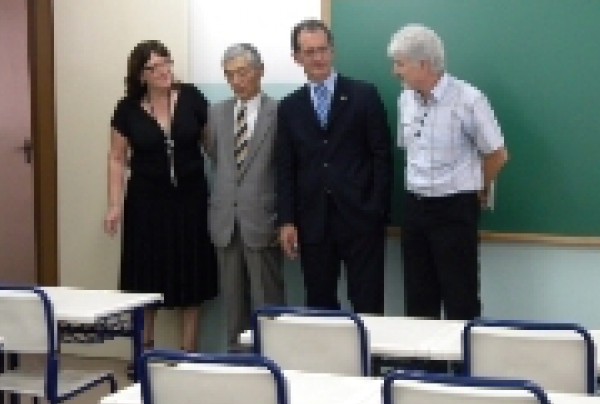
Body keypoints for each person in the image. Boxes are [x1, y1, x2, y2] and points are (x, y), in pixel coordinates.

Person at [387, 24, 509, 320]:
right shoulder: (405, 100)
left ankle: (464, 366)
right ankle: (424, 367)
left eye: (400, 64)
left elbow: (498, 154)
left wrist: (478, 188)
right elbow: (409, 149)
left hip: (455, 209)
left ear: (424, 64)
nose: (395, 71)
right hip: (415, 207)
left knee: (460, 297)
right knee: (418, 297)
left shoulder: (469, 99)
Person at [104, 40, 217, 352]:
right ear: (141, 75)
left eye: (166, 62)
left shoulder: (192, 97)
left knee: (191, 272)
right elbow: (116, 157)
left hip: (191, 199)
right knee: (146, 275)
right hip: (146, 202)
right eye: (154, 67)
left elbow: (211, 145)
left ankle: (188, 351)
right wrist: (114, 205)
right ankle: (145, 350)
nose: (163, 70)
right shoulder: (127, 109)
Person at [276, 19, 393, 313]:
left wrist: (376, 207)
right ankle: (325, 361)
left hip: (361, 218)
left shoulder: (364, 95)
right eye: (310, 52)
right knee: (319, 305)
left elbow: (382, 156)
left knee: (368, 303)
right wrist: (287, 220)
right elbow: (286, 167)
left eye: (323, 50)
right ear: (297, 57)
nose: (318, 58)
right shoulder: (289, 107)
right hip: (313, 222)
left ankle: (369, 361)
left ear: (333, 51)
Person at [205, 43, 285, 351]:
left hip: (262, 220)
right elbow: (217, 159)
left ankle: (273, 363)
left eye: (242, 72)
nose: (236, 81)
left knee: (269, 304)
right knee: (233, 304)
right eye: (229, 75)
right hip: (226, 222)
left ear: (260, 72)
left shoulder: (277, 112)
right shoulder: (217, 113)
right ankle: (237, 366)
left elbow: (283, 168)